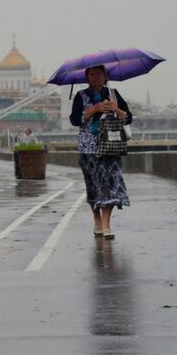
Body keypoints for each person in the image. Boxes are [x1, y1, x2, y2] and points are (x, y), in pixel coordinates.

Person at [70, 64, 132, 239]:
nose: (96, 77)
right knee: (93, 187)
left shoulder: (113, 94)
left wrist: (117, 109)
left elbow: (128, 117)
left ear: (105, 76)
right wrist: (93, 110)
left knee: (110, 185)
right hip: (88, 148)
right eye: (92, 74)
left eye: (99, 74)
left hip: (110, 147)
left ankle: (106, 225)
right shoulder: (81, 96)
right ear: (87, 77)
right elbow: (75, 120)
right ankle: (97, 219)